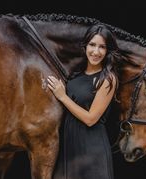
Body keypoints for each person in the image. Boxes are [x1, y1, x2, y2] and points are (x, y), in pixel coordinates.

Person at [48, 24, 120, 179]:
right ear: (85, 46)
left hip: (92, 150)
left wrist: (62, 96)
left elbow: (91, 119)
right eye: (92, 45)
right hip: (69, 148)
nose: (96, 51)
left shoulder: (108, 79)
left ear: (107, 51)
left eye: (102, 47)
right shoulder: (76, 74)